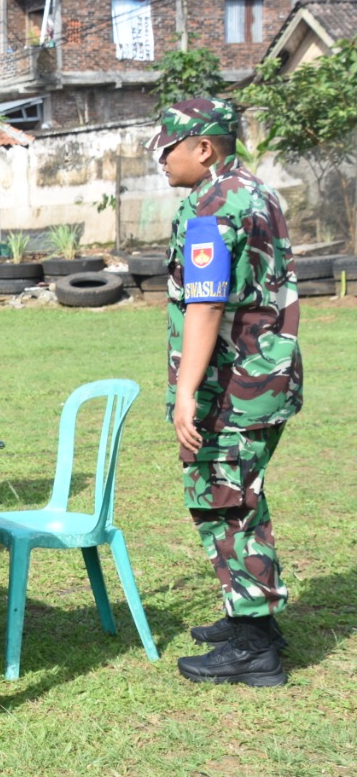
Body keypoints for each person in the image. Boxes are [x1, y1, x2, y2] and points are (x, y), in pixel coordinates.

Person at [148, 97, 303, 687]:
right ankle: (250, 618)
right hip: (266, 377)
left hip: (231, 387)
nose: (162, 160)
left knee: (226, 502)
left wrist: (187, 390)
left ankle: (254, 646)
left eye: (168, 148)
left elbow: (206, 302)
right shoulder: (257, 192)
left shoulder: (210, 206)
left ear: (203, 148)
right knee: (240, 496)